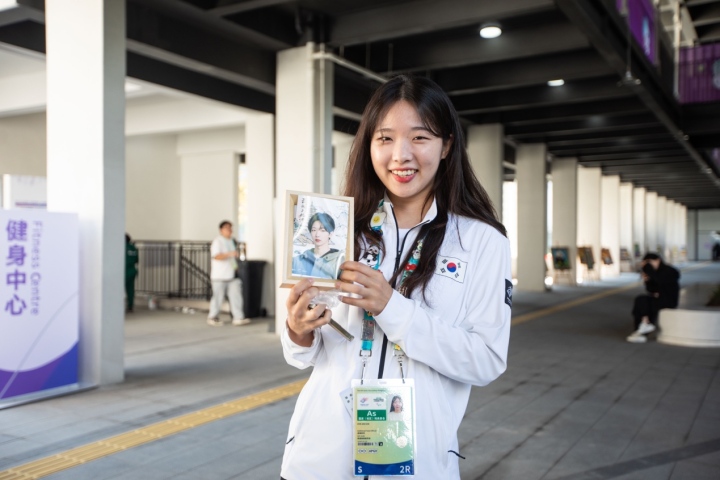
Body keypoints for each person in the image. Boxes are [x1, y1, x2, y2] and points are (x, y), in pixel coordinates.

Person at [281, 74, 511, 479]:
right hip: (320, 459)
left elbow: (486, 360)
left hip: (417, 464)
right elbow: (310, 355)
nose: (400, 155)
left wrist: (393, 308)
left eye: (419, 138)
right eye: (385, 139)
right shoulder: (340, 228)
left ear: (447, 146)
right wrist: (298, 330)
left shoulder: (481, 241)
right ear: (368, 145)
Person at [627, 252, 680, 343]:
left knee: (647, 304)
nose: (649, 265)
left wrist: (650, 273)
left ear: (658, 260)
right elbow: (651, 290)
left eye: (650, 262)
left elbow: (661, 283)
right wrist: (647, 280)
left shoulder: (669, 270)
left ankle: (642, 331)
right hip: (659, 298)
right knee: (640, 300)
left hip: (669, 300)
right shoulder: (654, 273)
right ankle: (642, 326)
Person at [207, 221, 249, 327]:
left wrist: (236, 268)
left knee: (236, 296)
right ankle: (213, 317)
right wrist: (229, 254)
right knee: (218, 298)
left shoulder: (232, 241)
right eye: (226, 227)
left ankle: (238, 317)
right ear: (221, 230)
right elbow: (216, 256)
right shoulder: (217, 241)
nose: (229, 229)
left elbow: (234, 257)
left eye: (230, 227)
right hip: (219, 276)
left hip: (232, 275)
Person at [291, 212, 344, 279]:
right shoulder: (298, 260)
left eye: (322, 230)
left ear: (330, 234)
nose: (317, 234)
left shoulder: (339, 261)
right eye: (313, 230)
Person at [125, 234, 139, 313]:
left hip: (125, 271)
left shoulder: (122, 247)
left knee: (117, 289)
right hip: (132, 270)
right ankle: (130, 306)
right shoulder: (133, 248)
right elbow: (137, 260)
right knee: (130, 290)